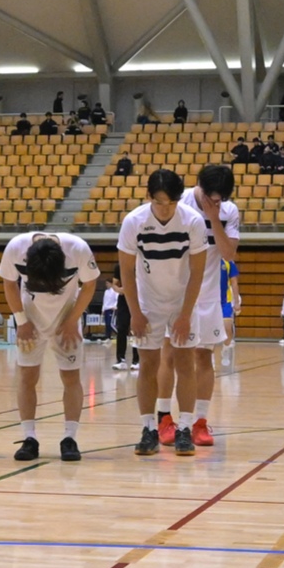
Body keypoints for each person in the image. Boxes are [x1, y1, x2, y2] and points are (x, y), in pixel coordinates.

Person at [117, 168, 210, 456]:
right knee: (147, 364)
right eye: (159, 202)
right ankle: (149, 429)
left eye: (171, 203)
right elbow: (126, 271)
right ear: (149, 197)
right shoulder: (134, 222)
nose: (165, 209)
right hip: (148, 303)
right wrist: (135, 312)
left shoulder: (192, 221)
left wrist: (185, 314)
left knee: (185, 363)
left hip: (182, 301)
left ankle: (184, 428)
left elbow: (197, 272)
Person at [0, 230, 98, 462]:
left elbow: (90, 284)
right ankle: (29, 438)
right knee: (27, 377)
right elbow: (9, 283)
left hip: (66, 319)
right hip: (31, 320)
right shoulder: (15, 248)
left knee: (71, 377)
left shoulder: (78, 249)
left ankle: (69, 438)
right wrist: (21, 321)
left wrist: (73, 321)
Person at [178, 164, 242, 445]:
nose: (215, 202)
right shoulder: (180, 201)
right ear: (199, 187)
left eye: (220, 199)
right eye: (210, 197)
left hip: (207, 295)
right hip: (176, 291)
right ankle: (167, 420)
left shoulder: (229, 211)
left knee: (204, 357)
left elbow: (229, 254)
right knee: (171, 358)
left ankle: (200, 422)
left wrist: (215, 219)